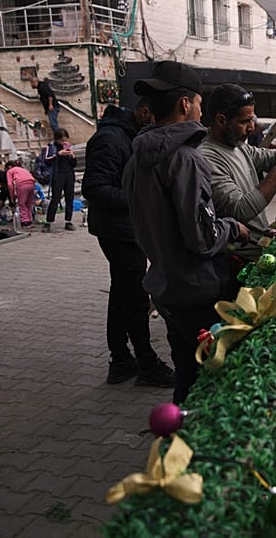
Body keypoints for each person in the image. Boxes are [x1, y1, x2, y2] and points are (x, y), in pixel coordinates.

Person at [122, 61, 249, 404]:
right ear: (185, 104)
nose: (200, 111)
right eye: (199, 104)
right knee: (210, 381)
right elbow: (201, 238)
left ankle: (180, 429)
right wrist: (231, 227)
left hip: (166, 287)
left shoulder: (136, 160)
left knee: (186, 372)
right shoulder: (186, 160)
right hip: (197, 291)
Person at [82, 99, 175, 388]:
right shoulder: (110, 139)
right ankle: (147, 364)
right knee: (134, 297)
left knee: (121, 293)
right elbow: (94, 188)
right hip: (118, 232)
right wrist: (141, 200)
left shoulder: (128, 135)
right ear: (145, 112)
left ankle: (120, 359)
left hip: (127, 229)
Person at [199, 83, 276, 262]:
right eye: (244, 122)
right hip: (238, 261)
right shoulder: (207, 158)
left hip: (260, 252)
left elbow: (267, 157)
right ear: (221, 120)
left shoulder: (238, 146)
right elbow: (240, 210)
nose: (252, 128)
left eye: (252, 120)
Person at [43, 128, 77, 233]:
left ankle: (68, 221)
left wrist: (72, 156)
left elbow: (74, 164)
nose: (64, 142)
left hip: (69, 174)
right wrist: (58, 154)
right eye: (61, 140)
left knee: (69, 198)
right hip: (58, 175)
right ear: (57, 139)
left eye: (65, 140)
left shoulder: (68, 148)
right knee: (55, 198)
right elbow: (46, 160)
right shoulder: (51, 147)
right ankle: (48, 221)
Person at [4, 160, 37, 228]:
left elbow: (10, 185)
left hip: (22, 185)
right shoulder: (23, 169)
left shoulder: (10, 171)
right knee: (29, 204)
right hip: (32, 184)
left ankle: (25, 221)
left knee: (22, 203)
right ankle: (30, 220)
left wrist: (12, 196)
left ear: (9, 166)